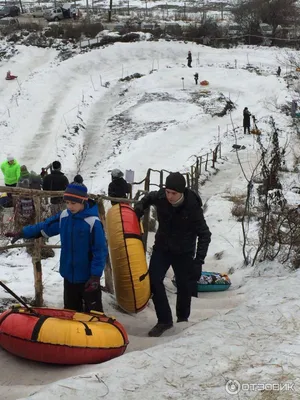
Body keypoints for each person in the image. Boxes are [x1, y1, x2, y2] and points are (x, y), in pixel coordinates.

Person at [9, 181, 108, 312]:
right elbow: (45, 226)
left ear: (83, 201)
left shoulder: (92, 222)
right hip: (69, 278)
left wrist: (95, 276)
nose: (70, 206)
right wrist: (23, 232)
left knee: (94, 314)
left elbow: (100, 251)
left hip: (88, 279)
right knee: (70, 312)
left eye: (73, 203)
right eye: (67, 202)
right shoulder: (64, 217)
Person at [134, 172, 211, 337]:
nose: (169, 196)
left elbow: (205, 234)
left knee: (184, 285)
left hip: (184, 252)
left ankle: (182, 320)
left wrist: (199, 261)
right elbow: (148, 198)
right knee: (153, 281)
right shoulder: (161, 196)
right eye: (167, 191)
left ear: (181, 192)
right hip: (162, 247)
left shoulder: (192, 207)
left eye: (173, 193)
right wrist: (140, 207)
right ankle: (164, 321)